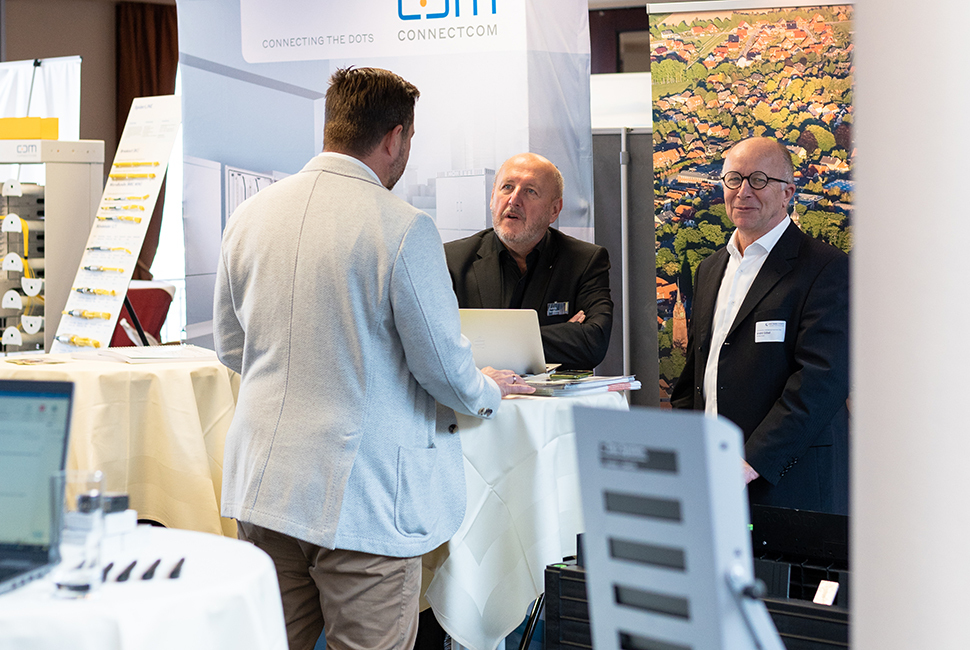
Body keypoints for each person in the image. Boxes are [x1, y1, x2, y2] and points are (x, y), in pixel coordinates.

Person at [213, 67, 533, 650]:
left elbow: (232, 347)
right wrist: (488, 390)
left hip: (263, 489)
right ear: (395, 137)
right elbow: (443, 368)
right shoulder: (403, 227)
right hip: (364, 502)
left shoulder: (249, 215)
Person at [671, 137, 849, 515]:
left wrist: (751, 462)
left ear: (788, 193)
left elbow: (821, 381)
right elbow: (697, 374)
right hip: (712, 477)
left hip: (788, 484)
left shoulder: (826, 268)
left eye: (759, 180)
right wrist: (687, 450)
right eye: (733, 179)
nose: (743, 192)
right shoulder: (710, 269)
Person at [444, 153, 613, 370]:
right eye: (507, 187)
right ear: (492, 197)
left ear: (554, 209)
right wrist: (558, 334)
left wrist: (485, 341)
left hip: (551, 393)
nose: (514, 200)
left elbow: (593, 343)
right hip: (481, 391)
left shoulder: (584, 261)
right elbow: (440, 343)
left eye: (530, 191)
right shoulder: (453, 260)